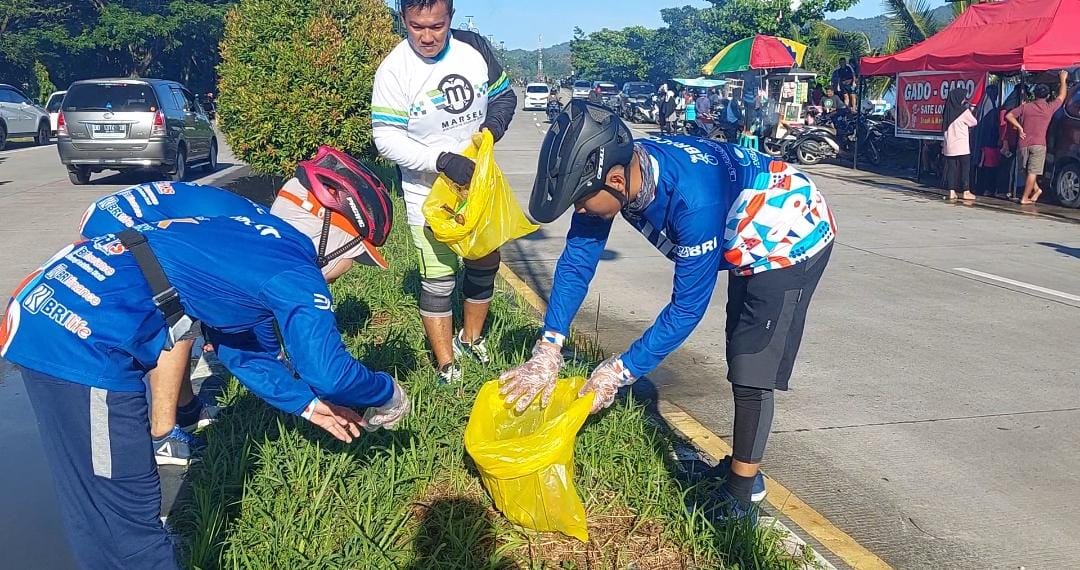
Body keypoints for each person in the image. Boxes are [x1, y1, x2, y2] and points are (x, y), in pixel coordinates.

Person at [1, 149, 410, 569]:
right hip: (82, 340)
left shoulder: (251, 233)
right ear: (333, 233)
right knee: (130, 525)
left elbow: (241, 351)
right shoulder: (296, 273)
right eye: (355, 256)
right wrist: (389, 393)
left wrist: (305, 405)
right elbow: (330, 373)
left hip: (51, 306)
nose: (347, 269)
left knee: (95, 505)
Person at [501, 101, 835, 522]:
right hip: (741, 228)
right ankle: (740, 471)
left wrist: (618, 372)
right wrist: (549, 345)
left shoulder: (692, 201)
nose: (579, 212)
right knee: (740, 347)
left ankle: (743, 493)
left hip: (790, 231)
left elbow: (687, 308)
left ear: (617, 180)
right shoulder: (620, 175)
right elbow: (577, 260)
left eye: (581, 203)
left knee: (751, 361)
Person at [371, 0, 517, 383]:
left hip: (479, 187)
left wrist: (492, 128)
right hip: (427, 192)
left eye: (436, 26)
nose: (427, 36)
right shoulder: (394, 70)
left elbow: (504, 96)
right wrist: (441, 160)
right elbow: (385, 139)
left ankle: (472, 338)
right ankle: (447, 365)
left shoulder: (474, 51)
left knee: (485, 260)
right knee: (438, 279)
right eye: (417, 26)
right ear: (403, 19)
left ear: (450, 18)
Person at [1006, 70, 1068, 204]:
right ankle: (1026, 197)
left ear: (1035, 95)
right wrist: (1063, 80)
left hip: (1024, 143)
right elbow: (1062, 96)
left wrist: (1019, 127)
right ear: (1047, 96)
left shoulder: (1026, 107)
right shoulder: (1049, 108)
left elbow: (1009, 115)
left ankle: (1034, 192)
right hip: (1039, 144)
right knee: (1032, 172)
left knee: (1025, 171)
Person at [941, 88, 979, 201]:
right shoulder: (963, 112)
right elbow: (974, 122)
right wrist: (971, 110)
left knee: (951, 168)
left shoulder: (947, 111)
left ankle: (951, 192)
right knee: (965, 168)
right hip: (962, 146)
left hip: (949, 145)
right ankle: (966, 191)